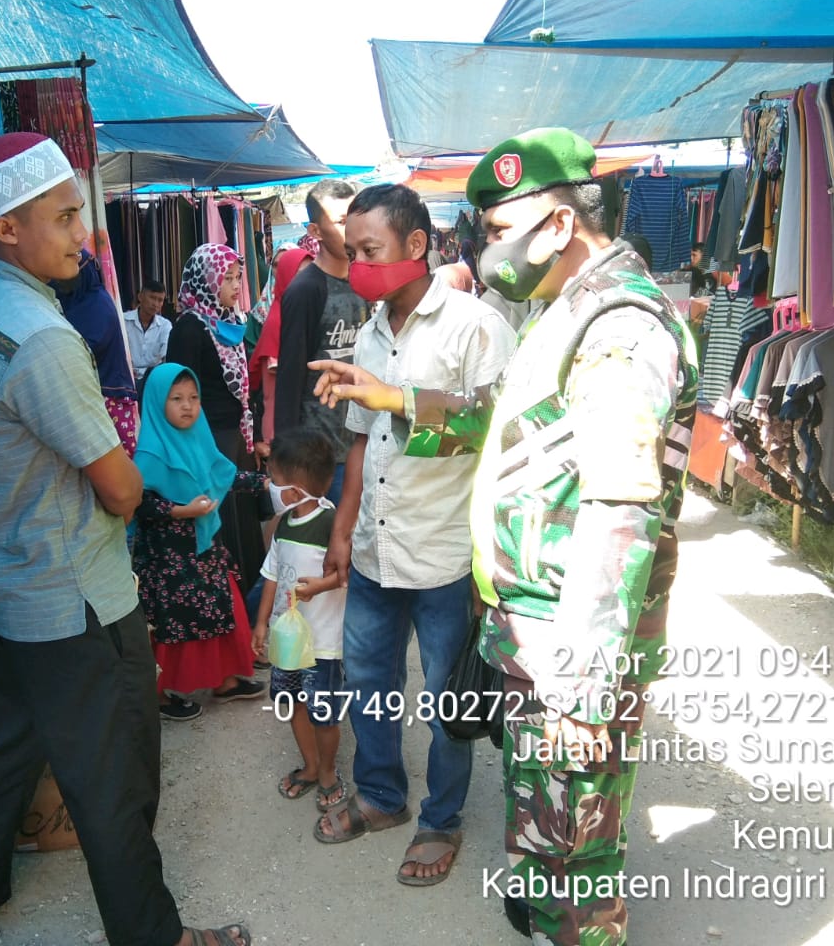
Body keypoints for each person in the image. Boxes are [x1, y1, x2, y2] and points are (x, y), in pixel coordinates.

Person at [311, 127, 698, 944]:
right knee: (545, 810)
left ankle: (574, 924)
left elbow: (619, 506)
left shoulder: (619, 326)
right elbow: (498, 428)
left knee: (574, 839)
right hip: (532, 624)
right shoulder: (565, 311)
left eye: (493, 231)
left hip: (568, 641)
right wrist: (401, 403)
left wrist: (583, 682)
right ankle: (545, 901)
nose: (484, 251)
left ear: (557, 226)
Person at [0, 131, 250, 946]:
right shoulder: (43, 339)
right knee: (111, 772)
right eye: (66, 217)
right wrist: (141, 475)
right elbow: (118, 488)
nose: (86, 236)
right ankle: (159, 936)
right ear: (8, 228)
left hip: (1, 578)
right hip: (72, 591)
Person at [310, 184, 516, 888]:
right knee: (369, 681)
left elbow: (495, 431)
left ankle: (441, 820)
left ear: (417, 246)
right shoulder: (371, 330)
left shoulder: (475, 326)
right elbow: (363, 442)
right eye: (352, 250)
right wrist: (342, 530)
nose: (358, 263)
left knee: (445, 700)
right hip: (374, 548)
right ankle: (384, 797)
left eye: (369, 251)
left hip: (444, 554)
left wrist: (396, 399)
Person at [132, 363, 267, 720]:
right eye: (176, 398)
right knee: (170, 624)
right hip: (168, 561)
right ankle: (158, 695)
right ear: (157, 403)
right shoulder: (148, 454)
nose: (188, 406)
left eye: (193, 397)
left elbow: (221, 473)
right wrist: (179, 511)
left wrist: (264, 483)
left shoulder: (199, 438)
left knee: (223, 608)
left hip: (203, 548)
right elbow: (137, 502)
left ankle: (223, 680)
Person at [250, 428, 348, 813]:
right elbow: (271, 576)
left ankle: (327, 772)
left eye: (274, 480)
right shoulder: (284, 524)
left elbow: (347, 574)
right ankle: (309, 767)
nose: (270, 486)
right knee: (291, 703)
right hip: (287, 640)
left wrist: (318, 587)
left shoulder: (332, 525)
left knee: (323, 713)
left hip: (322, 642)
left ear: (293, 490)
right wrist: (262, 624)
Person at [165, 243, 267, 594]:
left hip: (234, 435)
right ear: (207, 281)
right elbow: (178, 392)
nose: (237, 286)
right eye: (228, 278)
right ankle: (228, 596)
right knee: (222, 519)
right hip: (207, 438)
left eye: (238, 277)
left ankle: (248, 595)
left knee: (241, 516)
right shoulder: (190, 329)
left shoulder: (230, 322)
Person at [275, 179, 369, 504]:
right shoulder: (306, 290)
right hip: (321, 455)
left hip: (363, 442)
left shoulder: (365, 280)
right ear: (315, 231)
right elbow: (289, 376)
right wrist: (286, 459)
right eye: (342, 222)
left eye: (356, 217)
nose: (353, 230)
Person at [52, 250, 139, 457]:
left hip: (109, 395)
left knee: (112, 461)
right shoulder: (74, 303)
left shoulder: (96, 303)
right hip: (94, 393)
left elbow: (85, 347)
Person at [249, 246, 314, 449]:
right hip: (284, 428)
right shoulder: (279, 320)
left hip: (296, 425)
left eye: (312, 273)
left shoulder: (295, 313)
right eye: (300, 274)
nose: (308, 281)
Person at [124, 279, 171, 384]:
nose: (156, 304)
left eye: (160, 300)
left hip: (153, 378)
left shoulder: (165, 325)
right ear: (140, 297)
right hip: (126, 377)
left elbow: (165, 356)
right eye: (152, 298)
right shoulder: (123, 320)